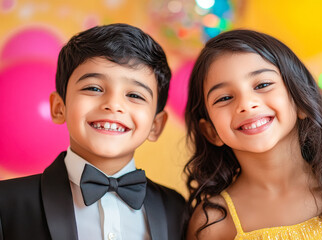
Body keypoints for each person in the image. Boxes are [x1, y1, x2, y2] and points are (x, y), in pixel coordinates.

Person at [0, 23, 185, 240]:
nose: (113, 105)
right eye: (94, 88)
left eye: (135, 95)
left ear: (156, 125)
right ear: (59, 108)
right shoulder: (6, 202)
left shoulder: (176, 208)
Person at [184, 29, 322, 239]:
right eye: (224, 98)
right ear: (211, 131)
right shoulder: (212, 222)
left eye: (263, 85)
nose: (247, 104)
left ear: (301, 101)